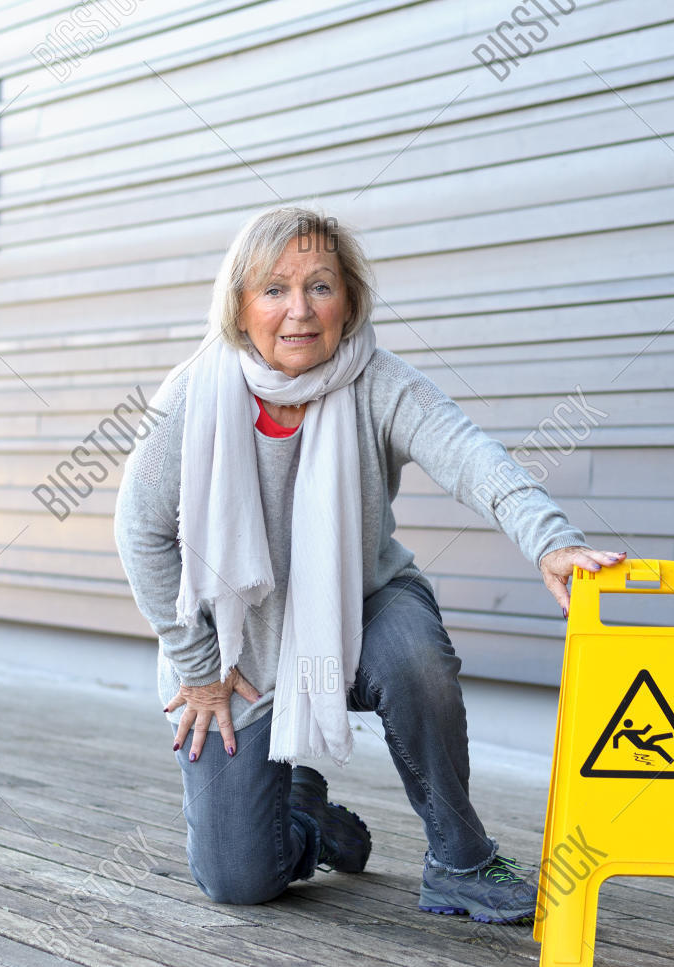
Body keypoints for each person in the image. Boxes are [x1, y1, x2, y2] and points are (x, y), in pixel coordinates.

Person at [114, 205, 623, 923]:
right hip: (237, 656)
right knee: (238, 881)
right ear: (239, 305)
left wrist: (551, 538)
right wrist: (196, 666)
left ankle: (460, 858)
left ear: (349, 299)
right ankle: (305, 818)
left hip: (359, 614)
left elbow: (470, 455)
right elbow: (139, 532)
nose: (299, 311)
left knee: (415, 656)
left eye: (320, 286)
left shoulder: (378, 380)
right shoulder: (194, 397)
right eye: (274, 290)